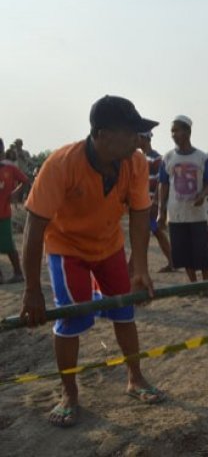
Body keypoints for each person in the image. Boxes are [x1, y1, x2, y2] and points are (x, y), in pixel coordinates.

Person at [19, 95, 165, 428]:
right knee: (72, 319)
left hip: (108, 245)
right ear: (102, 134)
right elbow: (34, 225)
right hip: (66, 248)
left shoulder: (136, 162)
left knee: (124, 311)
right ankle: (69, 392)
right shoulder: (61, 164)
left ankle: (135, 378)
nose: (137, 139)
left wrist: (139, 267)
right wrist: (31, 290)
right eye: (131, 132)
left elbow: (141, 215)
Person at [157, 115, 208, 299]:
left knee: (202, 252)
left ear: (188, 132)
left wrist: (203, 194)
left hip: (197, 214)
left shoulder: (202, 158)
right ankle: (194, 285)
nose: (174, 134)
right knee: (183, 252)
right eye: (172, 131)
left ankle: (207, 285)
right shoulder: (168, 158)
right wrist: (161, 210)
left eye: (177, 130)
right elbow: (163, 185)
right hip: (176, 214)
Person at [137, 131, 174, 272]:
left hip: (151, 204)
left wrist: (157, 203)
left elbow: (161, 183)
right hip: (144, 203)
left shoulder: (157, 159)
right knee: (155, 232)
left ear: (144, 139)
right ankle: (171, 261)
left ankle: (133, 267)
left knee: (145, 233)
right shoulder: (142, 158)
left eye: (138, 137)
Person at [0, 138, 30, 283]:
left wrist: (16, 193)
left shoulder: (10, 169)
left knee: (7, 245)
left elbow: (26, 181)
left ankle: (18, 272)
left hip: (3, 214)